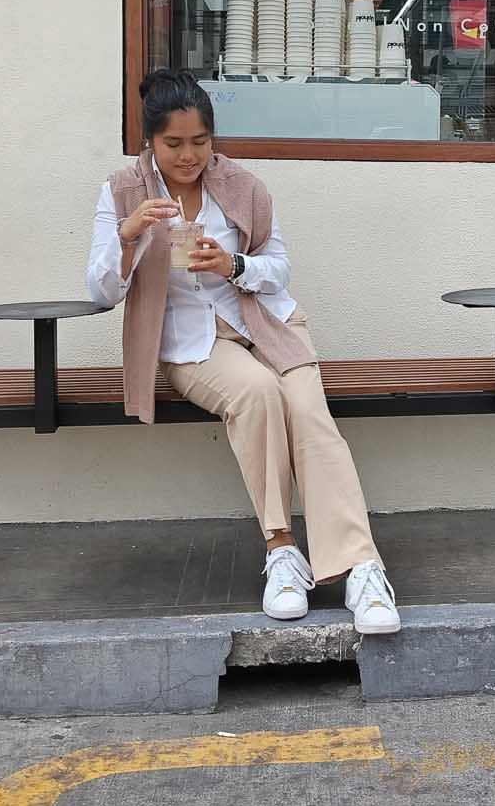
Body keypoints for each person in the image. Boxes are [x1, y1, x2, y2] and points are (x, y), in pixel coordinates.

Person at [86, 69, 401, 633]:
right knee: (257, 395)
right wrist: (127, 235)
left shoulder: (242, 186)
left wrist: (233, 265)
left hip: (268, 323)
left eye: (200, 141)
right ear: (150, 141)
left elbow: (278, 268)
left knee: (309, 412)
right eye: (174, 143)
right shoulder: (122, 192)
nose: (189, 156)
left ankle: (360, 567)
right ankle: (282, 551)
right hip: (193, 341)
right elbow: (101, 292)